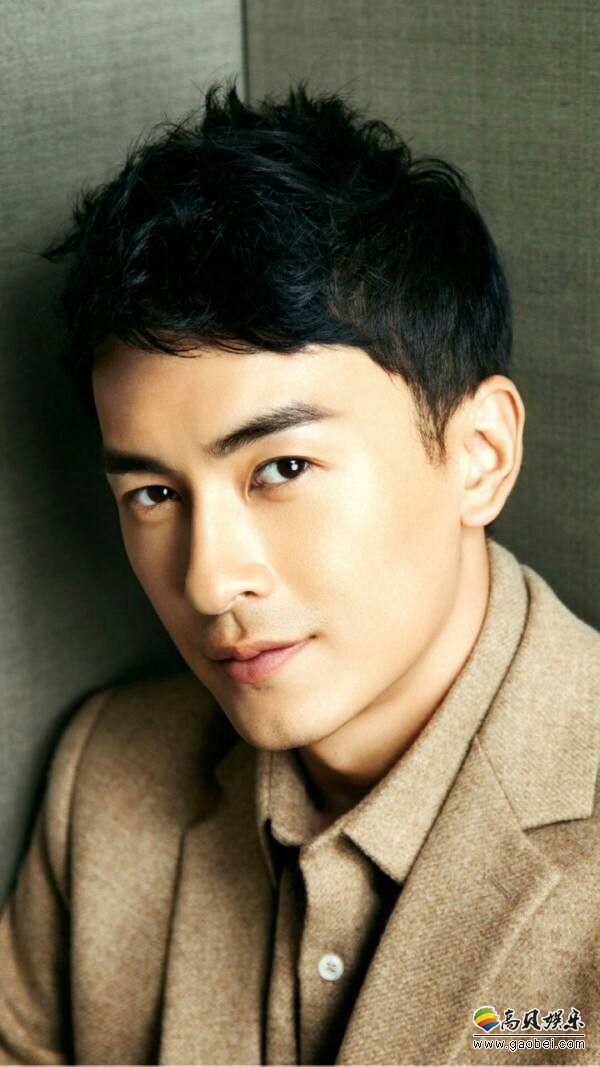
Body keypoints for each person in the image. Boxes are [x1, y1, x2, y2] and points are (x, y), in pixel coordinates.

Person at [0, 80, 597, 1067]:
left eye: (280, 468)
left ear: (480, 455)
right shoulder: (106, 780)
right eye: (153, 492)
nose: (208, 580)